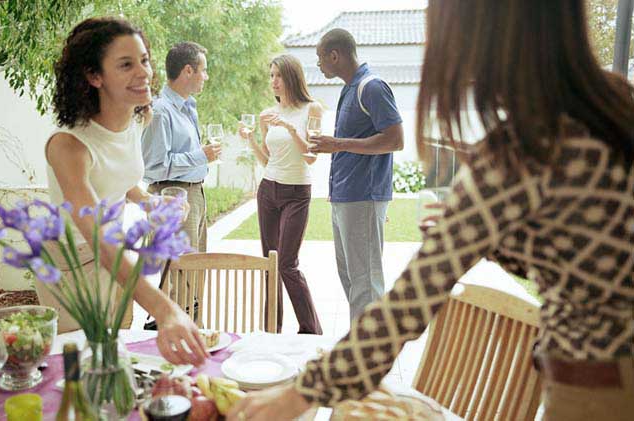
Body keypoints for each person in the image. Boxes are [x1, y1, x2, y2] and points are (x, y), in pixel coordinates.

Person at [227, 1, 634, 420]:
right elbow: (591, 250)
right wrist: (497, 236)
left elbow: (408, 304)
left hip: (595, 387)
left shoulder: (524, 148)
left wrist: (297, 394)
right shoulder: (614, 102)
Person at [43, 17, 207, 366]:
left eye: (144, 60)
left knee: (118, 356)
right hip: (74, 265)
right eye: (126, 64)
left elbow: (119, 174)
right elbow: (98, 241)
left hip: (116, 255)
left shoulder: (135, 118)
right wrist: (166, 309)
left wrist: (147, 200)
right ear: (93, 76)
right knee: (85, 367)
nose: (144, 72)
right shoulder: (69, 146)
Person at [307, 28, 404, 322]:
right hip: (346, 198)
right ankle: (359, 345)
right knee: (352, 279)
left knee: (365, 284)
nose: (319, 64)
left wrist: (336, 144)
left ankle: (369, 355)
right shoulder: (349, 88)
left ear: (335, 55)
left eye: (320, 58)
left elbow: (395, 140)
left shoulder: (371, 87)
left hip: (363, 196)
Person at [238, 54, 323, 335]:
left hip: (297, 192)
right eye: (270, 75)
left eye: (278, 75)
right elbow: (267, 159)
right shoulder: (266, 115)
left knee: (287, 263)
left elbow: (311, 157)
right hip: (268, 190)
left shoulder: (312, 109)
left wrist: (290, 128)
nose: (273, 81)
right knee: (269, 263)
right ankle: (271, 330)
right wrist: (250, 139)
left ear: (291, 77)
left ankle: (310, 330)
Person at [141, 41, 220, 254]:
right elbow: (154, 167)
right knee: (179, 275)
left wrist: (201, 156)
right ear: (188, 71)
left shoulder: (188, 107)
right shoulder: (160, 111)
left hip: (194, 194)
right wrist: (200, 156)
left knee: (193, 274)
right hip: (173, 196)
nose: (206, 76)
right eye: (203, 71)